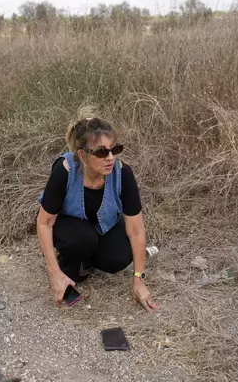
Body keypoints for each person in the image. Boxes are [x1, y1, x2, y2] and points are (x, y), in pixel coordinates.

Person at [36, 111, 158, 312]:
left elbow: (136, 231)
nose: (110, 157)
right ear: (83, 155)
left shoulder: (123, 173)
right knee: (82, 239)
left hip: (104, 223)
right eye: (101, 152)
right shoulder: (65, 170)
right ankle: (68, 264)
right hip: (67, 224)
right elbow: (44, 222)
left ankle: (87, 258)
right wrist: (53, 272)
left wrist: (139, 281)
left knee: (119, 258)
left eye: (114, 149)